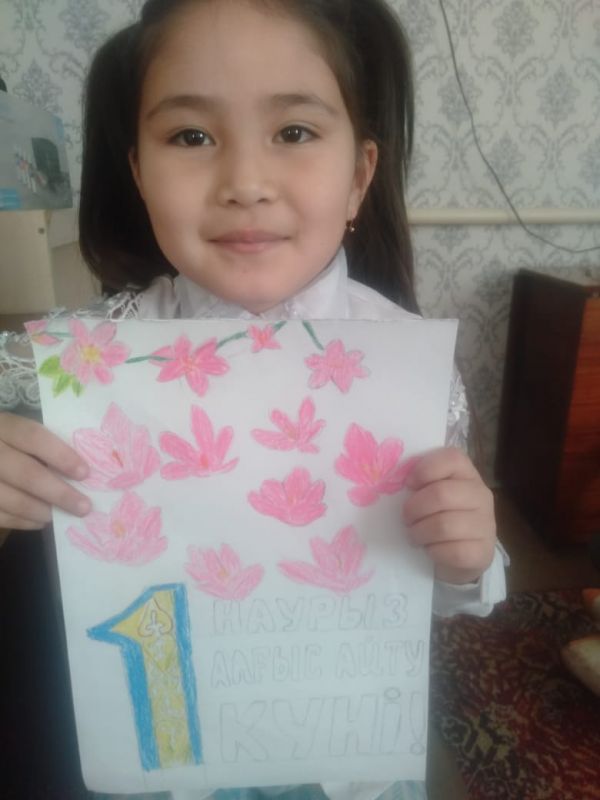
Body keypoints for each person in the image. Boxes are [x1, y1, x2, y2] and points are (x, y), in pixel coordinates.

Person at [0, 1, 507, 798]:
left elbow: (433, 589)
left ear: (359, 178)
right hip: (162, 757)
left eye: (294, 132)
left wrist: (469, 558)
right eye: (190, 136)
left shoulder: (408, 369)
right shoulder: (69, 366)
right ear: (139, 172)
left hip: (347, 756)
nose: (244, 183)